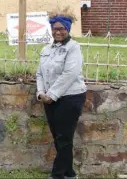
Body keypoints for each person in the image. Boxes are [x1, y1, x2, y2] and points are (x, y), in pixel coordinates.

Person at [36, 14, 87, 179]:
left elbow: (69, 74)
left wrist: (52, 95)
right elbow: (39, 74)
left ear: (67, 29)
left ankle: (57, 175)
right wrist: (41, 93)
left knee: (64, 139)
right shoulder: (46, 50)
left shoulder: (74, 48)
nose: (57, 32)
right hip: (49, 99)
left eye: (61, 28)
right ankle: (70, 174)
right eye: (55, 29)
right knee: (59, 140)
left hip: (70, 98)